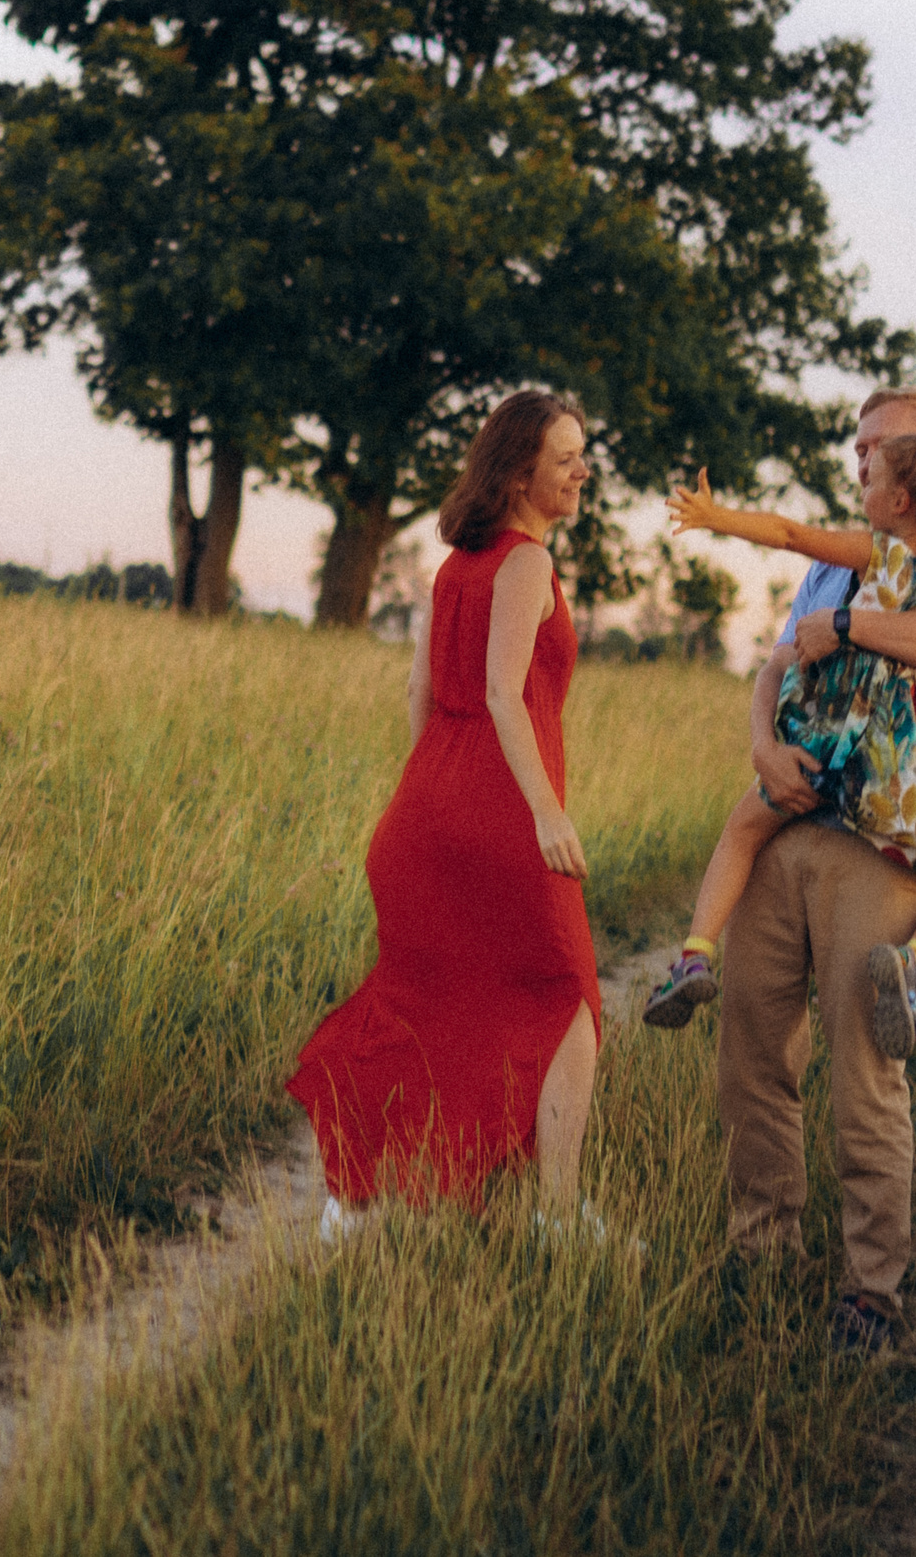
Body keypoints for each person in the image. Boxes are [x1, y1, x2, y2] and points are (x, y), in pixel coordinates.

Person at [687, 388, 916, 1352]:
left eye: (878, 449)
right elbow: (779, 664)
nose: (861, 462)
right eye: (860, 446)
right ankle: (762, 1258)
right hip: (789, 815)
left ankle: (872, 1287)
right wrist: (762, 748)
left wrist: (850, 632)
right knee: (752, 1050)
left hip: (879, 843)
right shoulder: (843, 558)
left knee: (863, 1070)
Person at [286, 390, 604, 1239]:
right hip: (503, 808)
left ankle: (347, 1204)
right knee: (568, 995)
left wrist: (434, 795)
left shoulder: (453, 566)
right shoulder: (527, 563)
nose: (583, 470)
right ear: (518, 470)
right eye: (567, 456)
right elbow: (505, 693)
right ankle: (561, 1222)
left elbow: (421, 696)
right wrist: (543, 811)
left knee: (417, 997)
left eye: (582, 454)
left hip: (424, 807)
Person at [642, 435, 916, 1054]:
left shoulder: (876, 551)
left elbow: (791, 534)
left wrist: (717, 518)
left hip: (844, 735)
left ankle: (693, 955)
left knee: (744, 828)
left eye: (869, 479)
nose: (860, 489)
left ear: (899, 499)